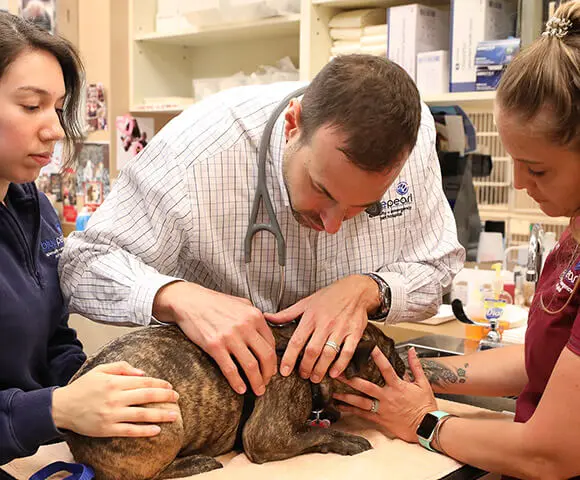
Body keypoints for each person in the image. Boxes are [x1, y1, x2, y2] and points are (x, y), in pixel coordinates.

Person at [59, 54, 464, 398]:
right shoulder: (195, 153)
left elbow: (437, 266)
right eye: (321, 190)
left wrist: (368, 290)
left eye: (363, 206)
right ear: (294, 124)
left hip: (338, 404)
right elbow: (82, 266)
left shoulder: (414, 136)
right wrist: (176, 296)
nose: (333, 224)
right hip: (226, 406)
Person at [334, 3, 580, 479]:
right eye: (515, 161)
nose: (519, 185)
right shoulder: (572, 236)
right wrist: (411, 373)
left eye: (539, 169)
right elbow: (541, 363)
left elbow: (550, 453)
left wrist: (423, 421)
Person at [0, 12, 178, 466]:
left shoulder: (32, 206)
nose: (55, 129)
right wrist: (57, 408)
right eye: (30, 105)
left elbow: (53, 340)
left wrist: (109, 384)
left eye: (57, 107)